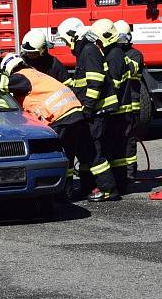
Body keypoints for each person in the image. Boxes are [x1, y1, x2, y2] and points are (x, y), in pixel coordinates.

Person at [0, 53, 90, 201]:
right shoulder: (34, 73)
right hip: (75, 113)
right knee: (73, 156)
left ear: (8, 70)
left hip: (61, 117)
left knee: (59, 157)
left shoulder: (21, 77)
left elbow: (2, 83)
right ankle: (76, 190)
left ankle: (61, 195)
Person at [57, 17, 118, 202]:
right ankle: (87, 187)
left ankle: (109, 190)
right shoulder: (85, 50)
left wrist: (88, 108)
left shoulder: (88, 51)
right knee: (85, 150)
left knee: (93, 151)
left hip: (96, 111)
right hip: (91, 111)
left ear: (72, 36)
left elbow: (95, 82)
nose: (65, 43)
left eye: (65, 39)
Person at [89, 19, 129, 193]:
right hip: (120, 111)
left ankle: (116, 184)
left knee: (111, 149)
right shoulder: (116, 53)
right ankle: (120, 183)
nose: (96, 43)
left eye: (97, 40)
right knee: (117, 151)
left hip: (116, 112)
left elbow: (113, 85)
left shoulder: (113, 56)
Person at [113, 20, 144, 183]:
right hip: (118, 105)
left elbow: (131, 70)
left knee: (130, 141)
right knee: (117, 139)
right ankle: (119, 172)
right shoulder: (114, 54)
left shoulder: (135, 55)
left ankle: (130, 173)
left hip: (132, 106)